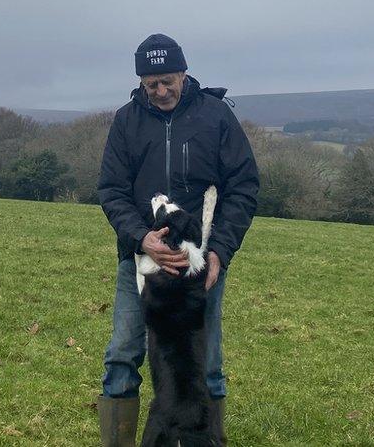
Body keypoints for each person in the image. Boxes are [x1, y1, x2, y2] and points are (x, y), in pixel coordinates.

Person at [96, 33, 260, 446]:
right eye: (151, 84)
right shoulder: (126, 121)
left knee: (208, 365)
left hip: (199, 263)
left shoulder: (217, 117)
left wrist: (220, 251)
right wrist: (140, 239)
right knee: (121, 356)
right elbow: (112, 190)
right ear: (140, 83)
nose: (161, 91)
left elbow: (243, 187)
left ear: (184, 74)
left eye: (168, 80)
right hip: (140, 263)